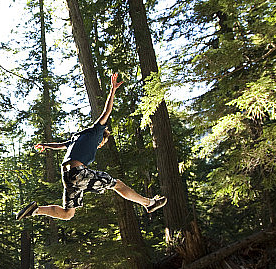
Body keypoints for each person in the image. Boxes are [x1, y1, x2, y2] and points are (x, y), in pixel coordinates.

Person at [16, 72, 167, 221]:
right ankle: (149, 203)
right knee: (117, 184)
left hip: (68, 177)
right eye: (102, 143)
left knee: (68, 214)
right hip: (78, 173)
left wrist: (45, 145)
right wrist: (112, 90)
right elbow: (106, 112)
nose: (100, 145)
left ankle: (35, 210)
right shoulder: (96, 132)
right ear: (101, 137)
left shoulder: (76, 138)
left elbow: (60, 145)